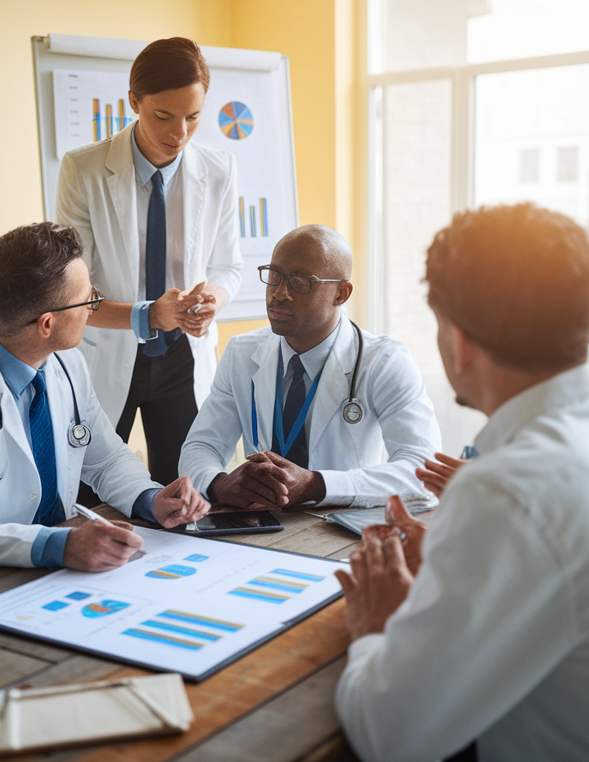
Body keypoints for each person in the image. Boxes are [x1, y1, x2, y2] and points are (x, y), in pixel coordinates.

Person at [334, 202, 589, 761]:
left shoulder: (507, 489)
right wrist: (468, 551)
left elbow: (390, 735)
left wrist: (374, 623)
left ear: (460, 342)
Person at [0, 223, 209, 569]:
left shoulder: (69, 363)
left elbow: (105, 459)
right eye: (88, 299)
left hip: (66, 570)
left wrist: (151, 498)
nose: (94, 306)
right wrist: (56, 544)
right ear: (47, 324)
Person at [55, 37, 243, 486]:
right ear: (134, 101)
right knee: (87, 489)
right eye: (163, 115)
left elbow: (228, 267)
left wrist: (212, 298)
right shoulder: (83, 170)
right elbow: (69, 292)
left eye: (193, 117)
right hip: (109, 354)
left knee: (188, 493)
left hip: (185, 357)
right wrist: (148, 315)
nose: (178, 133)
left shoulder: (219, 170)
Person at [179, 225, 440, 508]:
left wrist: (317, 485)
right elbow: (200, 446)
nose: (279, 293)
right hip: (262, 523)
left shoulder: (384, 361)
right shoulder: (242, 353)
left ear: (341, 293)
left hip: (342, 527)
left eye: (299, 282)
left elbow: (423, 470)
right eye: (274, 276)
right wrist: (218, 484)